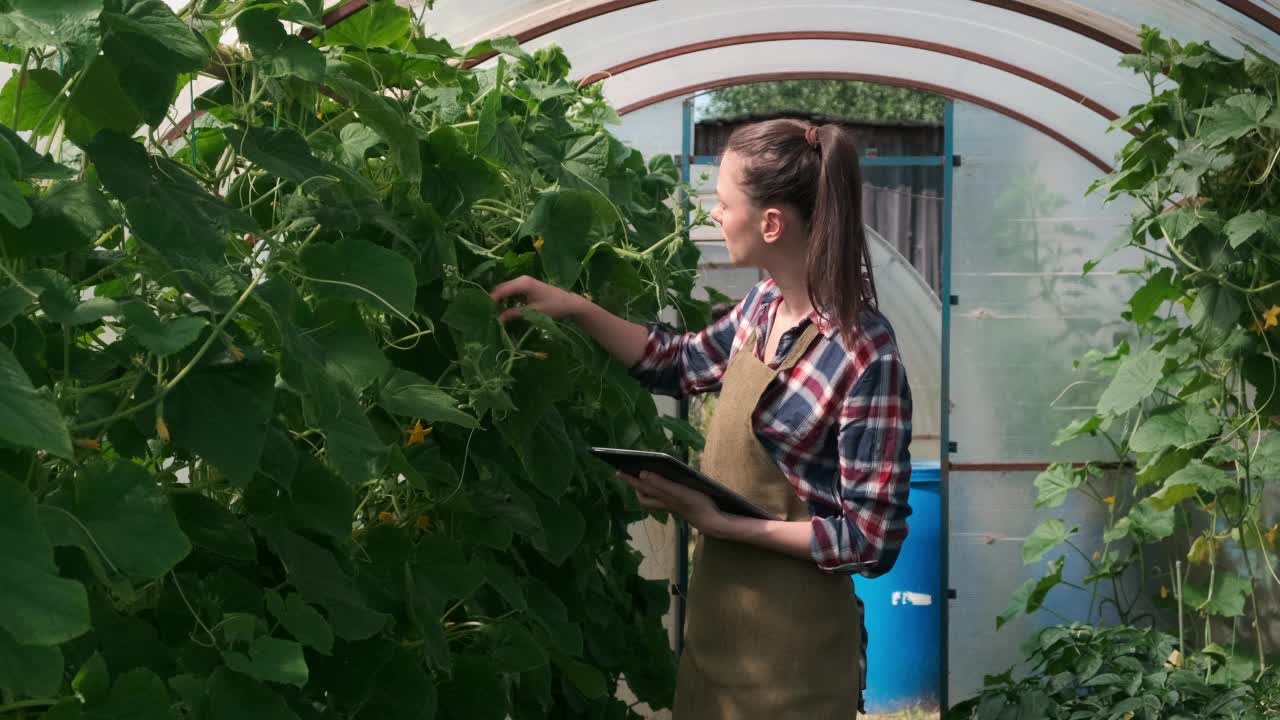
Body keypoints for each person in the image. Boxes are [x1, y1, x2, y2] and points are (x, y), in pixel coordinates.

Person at [491, 119, 913, 719]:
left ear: (771, 223)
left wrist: (721, 523)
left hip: (799, 656)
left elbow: (872, 540)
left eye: (723, 202)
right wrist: (575, 307)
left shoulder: (864, 353)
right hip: (720, 638)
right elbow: (678, 360)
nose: (714, 215)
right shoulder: (763, 308)